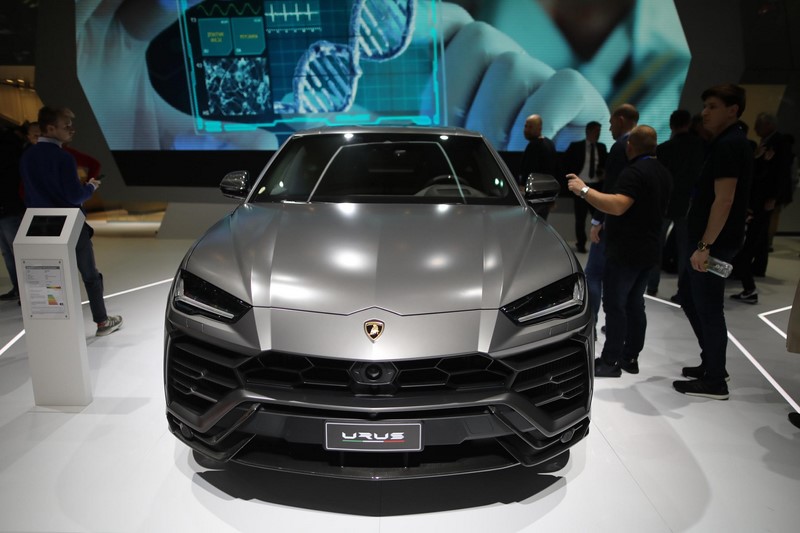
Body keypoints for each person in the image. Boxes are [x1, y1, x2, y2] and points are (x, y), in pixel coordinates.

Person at [567, 125, 671, 377]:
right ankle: (630, 357)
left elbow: (617, 206)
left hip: (626, 251)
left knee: (615, 305)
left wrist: (583, 190)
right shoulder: (663, 171)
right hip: (649, 248)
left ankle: (610, 361)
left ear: (630, 146)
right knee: (635, 304)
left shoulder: (634, 172)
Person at [673, 84, 753, 400]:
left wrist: (705, 246)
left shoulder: (729, 145)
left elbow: (724, 200)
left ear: (733, 110)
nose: (705, 112)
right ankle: (712, 364)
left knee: (708, 306)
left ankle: (716, 379)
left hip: (714, 243)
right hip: (712, 240)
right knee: (692, 298)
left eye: (713, 106)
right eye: (705, 105)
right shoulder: (728, 142)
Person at [18, 106, 123, 337]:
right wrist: (90, 187)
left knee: (50, 276)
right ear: (50, 128)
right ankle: (102, 322)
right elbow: (75, 196)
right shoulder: (63, 157)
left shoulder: (27, 156)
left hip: (39, 225)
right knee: (89, 275)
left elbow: (26, 193)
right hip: (69, 224)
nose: (71, 130)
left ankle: (56, 331)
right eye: (66, 126)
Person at [584, 103, 639, 333]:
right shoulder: (644, 151)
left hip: (611, 221)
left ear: (620, 119)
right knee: (620, 280)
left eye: (610, 122)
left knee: (594, 273)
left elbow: (611, 187)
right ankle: (617, 324)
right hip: (632, 225)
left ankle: (590, 325)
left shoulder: (620, 147)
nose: (609, 128)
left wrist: (598, 221)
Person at [647, 109, 705, 300]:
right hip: (688, 203)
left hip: (664, 203)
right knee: (685, 249)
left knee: (656, 245)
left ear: (671, 125)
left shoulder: (664, 148)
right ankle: (683, 289)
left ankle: (652, 285)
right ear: (688, 124)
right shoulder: (699, 146)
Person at [563, 121, 607, 253]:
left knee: (598, 217)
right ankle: (581, 244)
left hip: (596, 187)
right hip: (580, 186)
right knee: (580, 218)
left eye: (599, 131)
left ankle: (598, 243)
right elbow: (566, 164)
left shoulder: (601, 147)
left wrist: (603, 173)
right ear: (588, 131)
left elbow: (605, 164)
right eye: (596, 131)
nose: (598, 134)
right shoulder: (576, 146)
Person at [0, 124, 29, 302]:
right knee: (8, 251)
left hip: (10, 206)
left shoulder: (9, 147)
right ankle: (19, 289)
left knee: (16, 250)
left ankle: (27, 290)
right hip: (7, 207)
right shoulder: (12, 146)